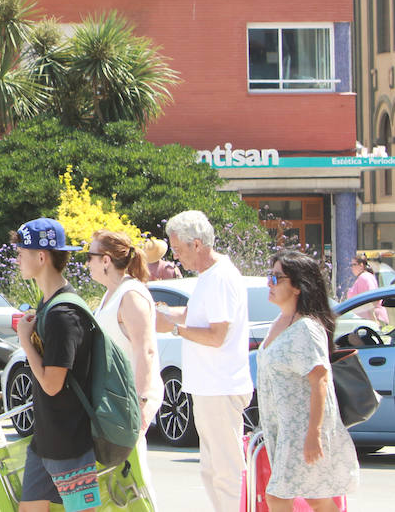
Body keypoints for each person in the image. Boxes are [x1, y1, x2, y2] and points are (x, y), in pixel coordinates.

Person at [156, 210, 251, 512]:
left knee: (226, 472)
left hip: (219, 386)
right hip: (211, 387)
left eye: (179, 249)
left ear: (197, 244)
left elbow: (217, 335)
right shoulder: (210, 276)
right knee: (213, 471)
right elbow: (201, 317)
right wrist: (167, 313)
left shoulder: (220, 277)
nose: (176, 256)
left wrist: (172, 327)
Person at [256, 250, 359, 511]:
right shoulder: (280, 322)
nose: (269, 283)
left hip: (301, 429)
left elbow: (320, 381)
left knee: (278, 497)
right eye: (270, 275)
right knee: (317, 497)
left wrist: (313, 434)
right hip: (283, 427)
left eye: (276, 277)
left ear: (297, 287)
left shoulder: (306, 328)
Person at [11, 218, 98, 512]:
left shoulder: (64, 313)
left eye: (21, 252)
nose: (17, 259)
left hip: (70, 439)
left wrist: (25, 341)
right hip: (47, 438)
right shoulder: (47, 305)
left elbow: (51, 383)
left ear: (41, 256)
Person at [87, 230, 161, 502]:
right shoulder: (112, 294)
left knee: (134, 472)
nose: (87, 264)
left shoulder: (131, 295)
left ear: (106, 260)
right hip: (117, 396)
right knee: (123, 474)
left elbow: (146, 351)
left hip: (132, 397)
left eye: (90, 257)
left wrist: (139, 403)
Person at [345, 256, 389, 325]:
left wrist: (374, 321)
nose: (351, 268)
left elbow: (372, 299)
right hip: (365, 321)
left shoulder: (365, 277)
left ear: (361, 265)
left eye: (353, 265)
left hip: (372, 321)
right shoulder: (363, 277)